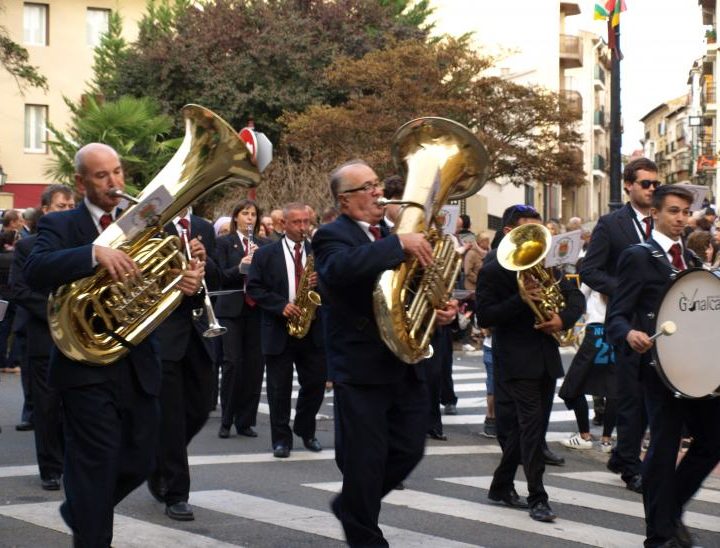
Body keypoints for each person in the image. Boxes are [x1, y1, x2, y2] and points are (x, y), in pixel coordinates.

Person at [23, 143, 204, 547]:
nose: (114, 183)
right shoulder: (62, 225)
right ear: (81, 182)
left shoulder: (144, 221)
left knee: (140, 460)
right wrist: (92, 252)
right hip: (83, 367)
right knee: (95, 463)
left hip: (138, 363)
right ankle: (91, 531)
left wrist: (187, 285)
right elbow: (35, 270)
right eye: (102, 176)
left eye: (118, 172)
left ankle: (82, 509)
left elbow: (161, 289)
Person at [312, 159, 457, 546]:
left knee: (410, 449)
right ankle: (365, 534)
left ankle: (352, 506)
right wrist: (397, 244)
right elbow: (340, 270)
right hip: (361, 367)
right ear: (345, 200)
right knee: (365, 460)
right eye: (367, 187)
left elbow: (418, 288)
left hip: (404, 362)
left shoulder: (393, 232)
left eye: (377, 184)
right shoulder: (331, 236)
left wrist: (441, 309)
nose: (378, 192)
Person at [606, 184, 720, 548]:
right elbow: (617, 316)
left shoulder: (691, 260)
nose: (681, 218)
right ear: (655, 213)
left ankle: (668, 513)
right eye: (673, 211)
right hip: (659, 370)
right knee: (664, 447)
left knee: (713, 441)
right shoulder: (639, 256)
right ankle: (659, 536)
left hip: (696, 370)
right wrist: (630, 334)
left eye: (685, 212)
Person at [476, 204, 584, 522]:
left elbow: (575, 298)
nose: (538, 242)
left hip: (545, 357)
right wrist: (520, 299)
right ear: (510, 233)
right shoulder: (493, 269)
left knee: (528, 430)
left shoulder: (548, 264)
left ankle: (500, 486)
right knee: (531, 429)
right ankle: (538, 496)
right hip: (514, 358)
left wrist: (560, 318)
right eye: (529, 233)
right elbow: (486, 316)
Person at [580, 157, 659, 494]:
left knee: (654, 397)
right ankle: (630, 467)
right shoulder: (612, 224)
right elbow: (589, 270)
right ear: (628, 185)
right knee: (631, 398)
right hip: (627, 322)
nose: (652, 189)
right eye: (646, 183)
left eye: (656, 183)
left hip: (662, 323)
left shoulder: (665, 222)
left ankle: (623, 455)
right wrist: (623, 290)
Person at [147, 207, 220, 522]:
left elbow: (215, 279)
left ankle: (159, 460)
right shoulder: (153, 224)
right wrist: (176, 274)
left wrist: (206, 260)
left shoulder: (204, 226)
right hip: (165, 331)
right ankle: (176, 494)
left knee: (202, 406)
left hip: (199, 331)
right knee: (173, 417)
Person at [247, 202, 326, 458]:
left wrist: (320, 281)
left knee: (315, 383)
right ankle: (281, 439)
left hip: (311, 328)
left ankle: (305, 427)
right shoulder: (265, 254)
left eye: (306, 222)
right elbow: (254, 289)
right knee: (278, 389)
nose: (303, 227)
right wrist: (281, 306)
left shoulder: (319, 252)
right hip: (278, 328)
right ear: (283, 225)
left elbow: (336, 282)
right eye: (297, 222)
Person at [9, 184, 75, 491]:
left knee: (77, 405)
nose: (68, 211)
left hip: (79, 338)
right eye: (61, 206)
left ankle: (74, 463)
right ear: (46, 211)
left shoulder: (83, 245)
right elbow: (20, 290)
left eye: (71, 206)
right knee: (47, 406)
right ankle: (50, 468)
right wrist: (58, 311)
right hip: (43, 335)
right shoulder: (26, 247)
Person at [215, 199, 268, 439]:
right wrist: (241, 266)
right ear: (236, 217)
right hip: (232, 310)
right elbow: (220, 276)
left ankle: (245, 421)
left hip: (256, 310)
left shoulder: (264, 244)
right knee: (232, 363)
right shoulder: (224, 243)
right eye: (245, 214)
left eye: (253, 214)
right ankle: (226, 420)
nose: (250, 218)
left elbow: (270, 278)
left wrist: (259, 265)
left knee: (254, 367)